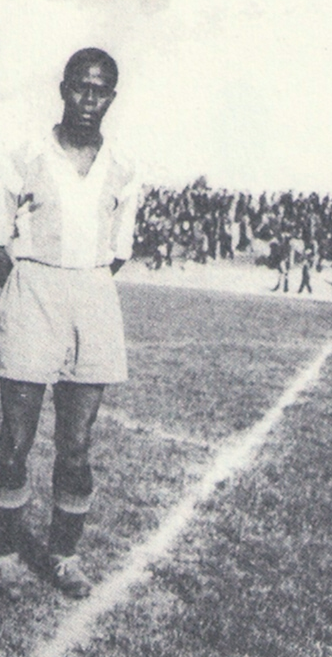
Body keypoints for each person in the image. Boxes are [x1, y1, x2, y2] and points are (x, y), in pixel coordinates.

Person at [0, 48, 137, 600]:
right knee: (13, 442)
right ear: (63, 88)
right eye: (80, 86)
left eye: (100, 90)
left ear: (112, 98)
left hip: (94, 295)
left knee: (76, 445)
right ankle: (6, 549)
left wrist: (83, 284)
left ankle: (64, 555)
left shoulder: (125, 167)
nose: (88, 99)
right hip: (34, 290)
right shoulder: (24, 156)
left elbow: (119, 251)